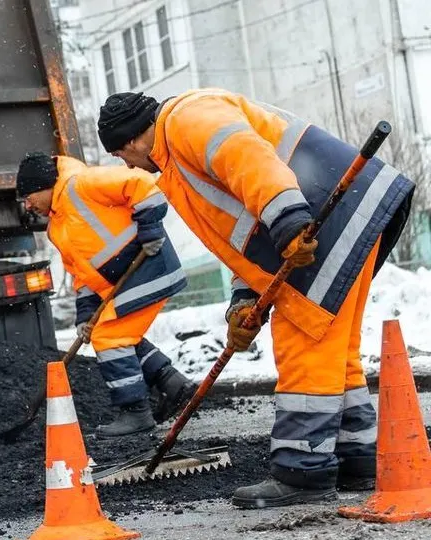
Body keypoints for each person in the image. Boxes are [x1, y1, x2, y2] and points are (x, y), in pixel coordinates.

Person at [96, 88, 414, 508]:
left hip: (322, 220)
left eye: (121, 155)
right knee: (333, 350)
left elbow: (249, 158)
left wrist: (289, 220)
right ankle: (358, 455)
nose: (128, 166)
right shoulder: (177, 154)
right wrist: (243, 301)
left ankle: (303, 471)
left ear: (133, 139)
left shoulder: (185, 120)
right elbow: (242, 235)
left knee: (304, 341)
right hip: (341, 217)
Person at [16, 151, 197, 437]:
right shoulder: (56, 228)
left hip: (150, 266)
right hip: (126, 282)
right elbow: (82, 275)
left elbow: (142, 183)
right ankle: (172, 383)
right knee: (116, 331)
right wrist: (85, 315)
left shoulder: (81, 184)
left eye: (28, 197)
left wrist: (150, 230)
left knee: (110, 336)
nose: (27, 205)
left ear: (44, 186)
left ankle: (135, 412)